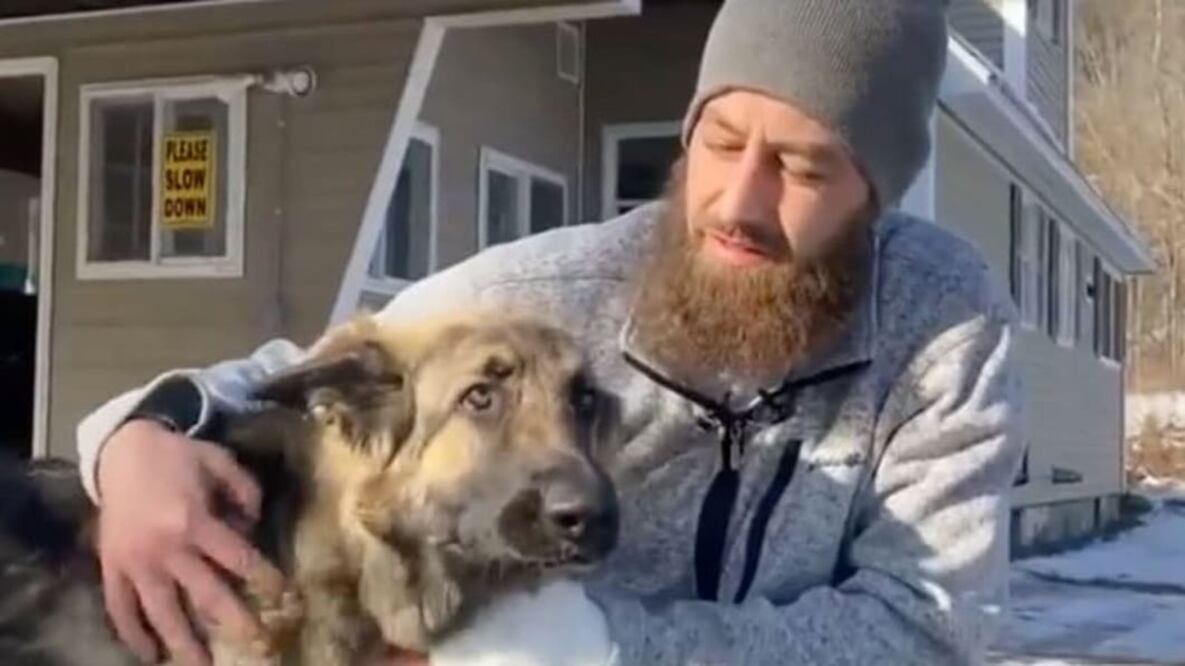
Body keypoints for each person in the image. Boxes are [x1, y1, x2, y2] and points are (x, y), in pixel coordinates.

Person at [76, 0, 1026, 664]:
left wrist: (591, 648)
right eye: (722, 142)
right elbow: (304, 374)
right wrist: (136, 440)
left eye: (804, 167)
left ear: (876, 195)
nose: (738, 202)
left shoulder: (938, 324)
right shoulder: (554, 296)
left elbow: (925, 628)